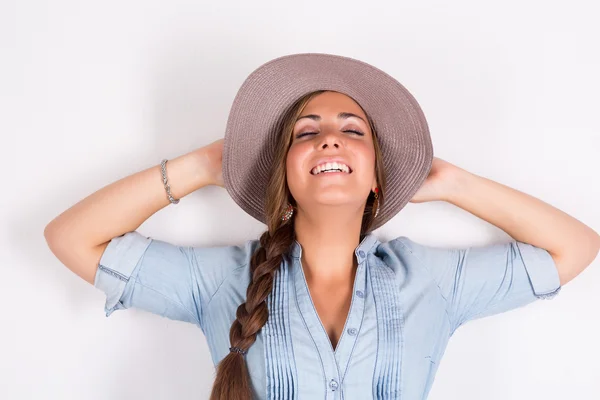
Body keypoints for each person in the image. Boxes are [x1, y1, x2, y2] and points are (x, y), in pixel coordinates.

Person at [44, 53, 599, 400]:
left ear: (377, 176)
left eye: (352, 130)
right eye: (305, 133)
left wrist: (451, 181)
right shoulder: (224, 279)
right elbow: (71, 237)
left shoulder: (430, 280)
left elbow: (575, 248)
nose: (329, 138)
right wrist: (207, 166)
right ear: (283, 173)